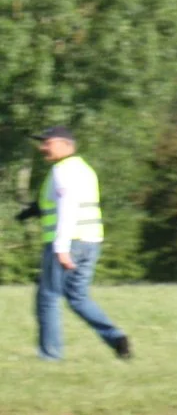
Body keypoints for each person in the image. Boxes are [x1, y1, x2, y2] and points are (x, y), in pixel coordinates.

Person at [21, 128, 132, 361]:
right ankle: (116, 338)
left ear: (65, 144)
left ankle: (50, 356)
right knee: (78, 297)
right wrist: (36, 209)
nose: (42, 147)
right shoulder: (83, 169)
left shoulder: (62, 171)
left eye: (47, 143)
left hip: (67, 242)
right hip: (91, 241)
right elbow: (69, 200)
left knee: (48, 297)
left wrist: (61, 248)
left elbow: (68, 207)